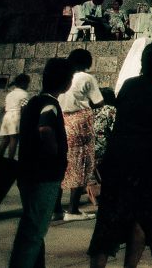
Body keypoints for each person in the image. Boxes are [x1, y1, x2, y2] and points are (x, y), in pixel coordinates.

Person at [87, 41, 152, 268]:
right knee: (143, 218)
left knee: (108, 219)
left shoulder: (129, 86)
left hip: (120, 160)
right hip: (150, 163)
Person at [8, 58, 74, 268]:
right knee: (34, 231)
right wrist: (55, 155)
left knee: (31, 227)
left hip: (27, 172)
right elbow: (45, 128)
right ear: (66, 82)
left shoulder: (32, 102)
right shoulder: (50, 105)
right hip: (44, 175)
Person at [59, 47, 104, 221]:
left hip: (63, 120)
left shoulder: (65, 76)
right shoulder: (86, 78)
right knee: (81, 163)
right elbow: (98, 101)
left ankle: (57, 208)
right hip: (80, 120)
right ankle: (73, 209)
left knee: (64, 162)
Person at [0, 73, 30, 159]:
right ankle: (10, 159)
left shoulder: (10, 94)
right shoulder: (24, 94)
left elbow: (5, 108)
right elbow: (24, 108)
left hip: (7, 116)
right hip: (16, 116)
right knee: (14, 139)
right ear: (23, 83)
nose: (28, 85)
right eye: (27, 83)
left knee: (5, 139)